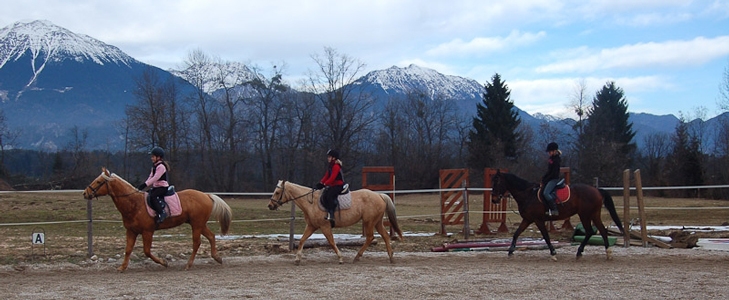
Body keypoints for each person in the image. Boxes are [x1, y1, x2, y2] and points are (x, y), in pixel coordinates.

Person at [137, 147, 171, 224]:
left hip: (162, 187)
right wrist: (144, 185)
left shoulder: (161, 167)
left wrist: (145, 184)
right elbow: (150, 177)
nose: (151, 158)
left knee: (153, 196)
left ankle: (162, 213)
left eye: (153, 156)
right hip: (156, 187)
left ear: (158, 157)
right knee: (148, 194)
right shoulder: (154, 166)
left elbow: (156, 177)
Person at [315, 149, 344, 221]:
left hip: (338, 185)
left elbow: (332, 178)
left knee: (329, 195)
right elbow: (326, 176)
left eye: (329, 157)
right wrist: (321, 183)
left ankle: (332, 214)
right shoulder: (331, 166)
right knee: (325, 194)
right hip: (333, 185)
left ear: (334, 158)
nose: (328, 158)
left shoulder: (336, 166)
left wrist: (325, 184)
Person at [541, 142, 562, 216]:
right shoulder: (551, 159)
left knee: (546, 193)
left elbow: (554, 173)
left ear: (554, 151)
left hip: (554, 179)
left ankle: (554, 209)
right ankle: (546, 209)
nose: (548, 153)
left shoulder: (556, 160)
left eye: (550, 151)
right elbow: (549, 171)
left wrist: (546, 180)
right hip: (550, 178)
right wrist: (544, 178)